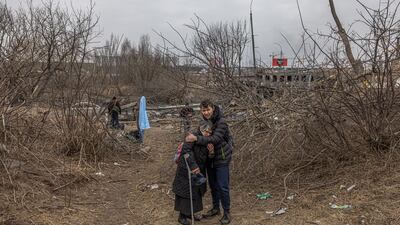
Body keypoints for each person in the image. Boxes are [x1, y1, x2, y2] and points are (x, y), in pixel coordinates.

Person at [185, 99, 233, 224]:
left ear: (213, 108)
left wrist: (196, 138)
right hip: (209, 158)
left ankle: (227, 212)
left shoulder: (221, 122)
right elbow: (203, 135)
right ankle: (216, 208)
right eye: (203, 110)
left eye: (208, 110)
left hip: (222, 157)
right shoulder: (204, 121)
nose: (206, 112)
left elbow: (216, 138)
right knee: (213, 185)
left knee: (223, 186)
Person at [172, 121, 213, 225]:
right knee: (186, 193)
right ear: (202, 129)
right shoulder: (192, 136)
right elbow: (186, 151)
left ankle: (190, 213)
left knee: (196, 193)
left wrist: (211, 152)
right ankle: (182, 217)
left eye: (210, 133)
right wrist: (193, 166)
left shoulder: (205, 139)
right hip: (186, 170)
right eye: (207, 132)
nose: (208, 134)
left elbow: (205, 155)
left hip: (198, 171)